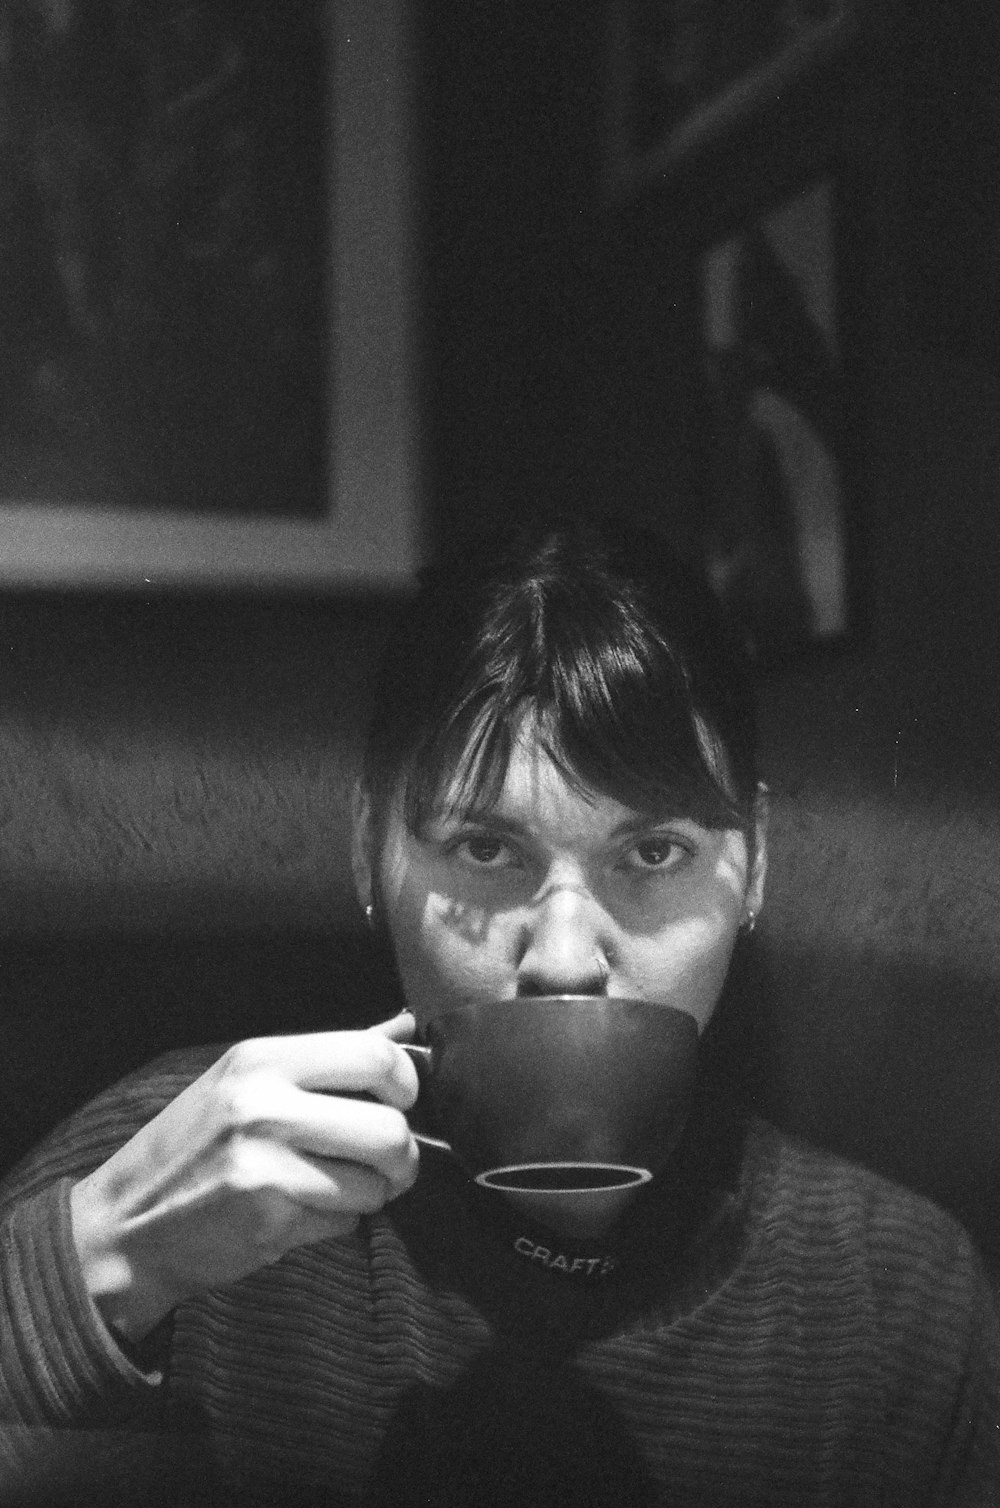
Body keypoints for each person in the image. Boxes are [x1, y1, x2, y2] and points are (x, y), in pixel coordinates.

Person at [0, 514, 997, 1507]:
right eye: (485, 849)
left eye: (652, 855)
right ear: (366, 849)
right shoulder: (164, 1161)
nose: (562, 957)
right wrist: (105, 1260)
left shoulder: (893, 1298)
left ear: (759, 864)